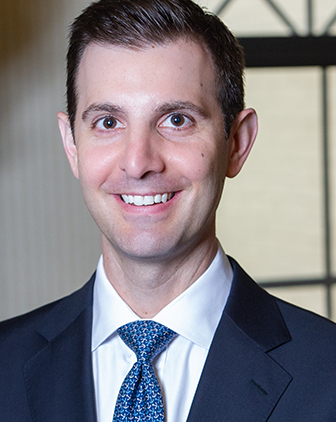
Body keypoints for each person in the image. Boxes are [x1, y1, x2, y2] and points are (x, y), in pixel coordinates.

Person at [1, 0, 336, 421]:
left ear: (237, 143)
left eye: (176, 120)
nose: (139, 162)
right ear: (72, 145)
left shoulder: (328, 375)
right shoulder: (5, 366)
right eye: (108, 123)